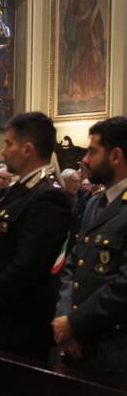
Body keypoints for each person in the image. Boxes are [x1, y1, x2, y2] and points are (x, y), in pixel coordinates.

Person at [0, 112, 71, 361]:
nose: (3, 152)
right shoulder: (20, 190)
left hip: (20, 322)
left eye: (8, 143)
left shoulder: (48, 196)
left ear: (27, 149)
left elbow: (28, 265)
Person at [54, 117, 127, 384]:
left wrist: (75, 323)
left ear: (116, 155)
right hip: (77, 343)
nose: (84, 159)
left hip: (115, 349)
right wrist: (64, 317)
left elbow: (123, 284)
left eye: (92, 151)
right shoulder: (95, 203)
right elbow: (74, 263)